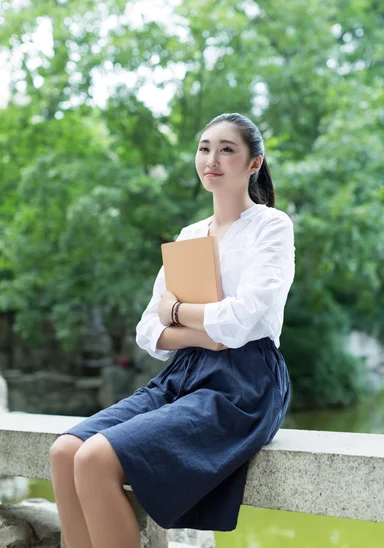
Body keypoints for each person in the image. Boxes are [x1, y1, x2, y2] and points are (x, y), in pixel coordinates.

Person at [49, 112, 295, 548]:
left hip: (244, 383)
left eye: (226, 149)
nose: (211, 159)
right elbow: (149, 329)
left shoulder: (271, 227)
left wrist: (178, 310)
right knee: (65, 450)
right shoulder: (190, 236)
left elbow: (243, 318)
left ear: (254, 163)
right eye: (204, 148)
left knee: (95, 459)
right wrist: (205, 332)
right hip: (184, 373)